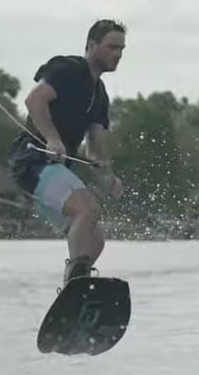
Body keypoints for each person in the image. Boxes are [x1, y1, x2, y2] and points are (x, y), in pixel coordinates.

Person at [8, 19, 127, 284]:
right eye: (111, 47)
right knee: (88, 208)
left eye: (121, 49)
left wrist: (108, 176)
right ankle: (77, 282)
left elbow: (96, 148)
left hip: (54, 169)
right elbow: (34, 99)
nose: (117, 54)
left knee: (95, 241)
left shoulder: (100, 95)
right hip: (33, 160)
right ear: (91, 46)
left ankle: (73, 289)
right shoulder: (68, 68)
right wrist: (52, 138)